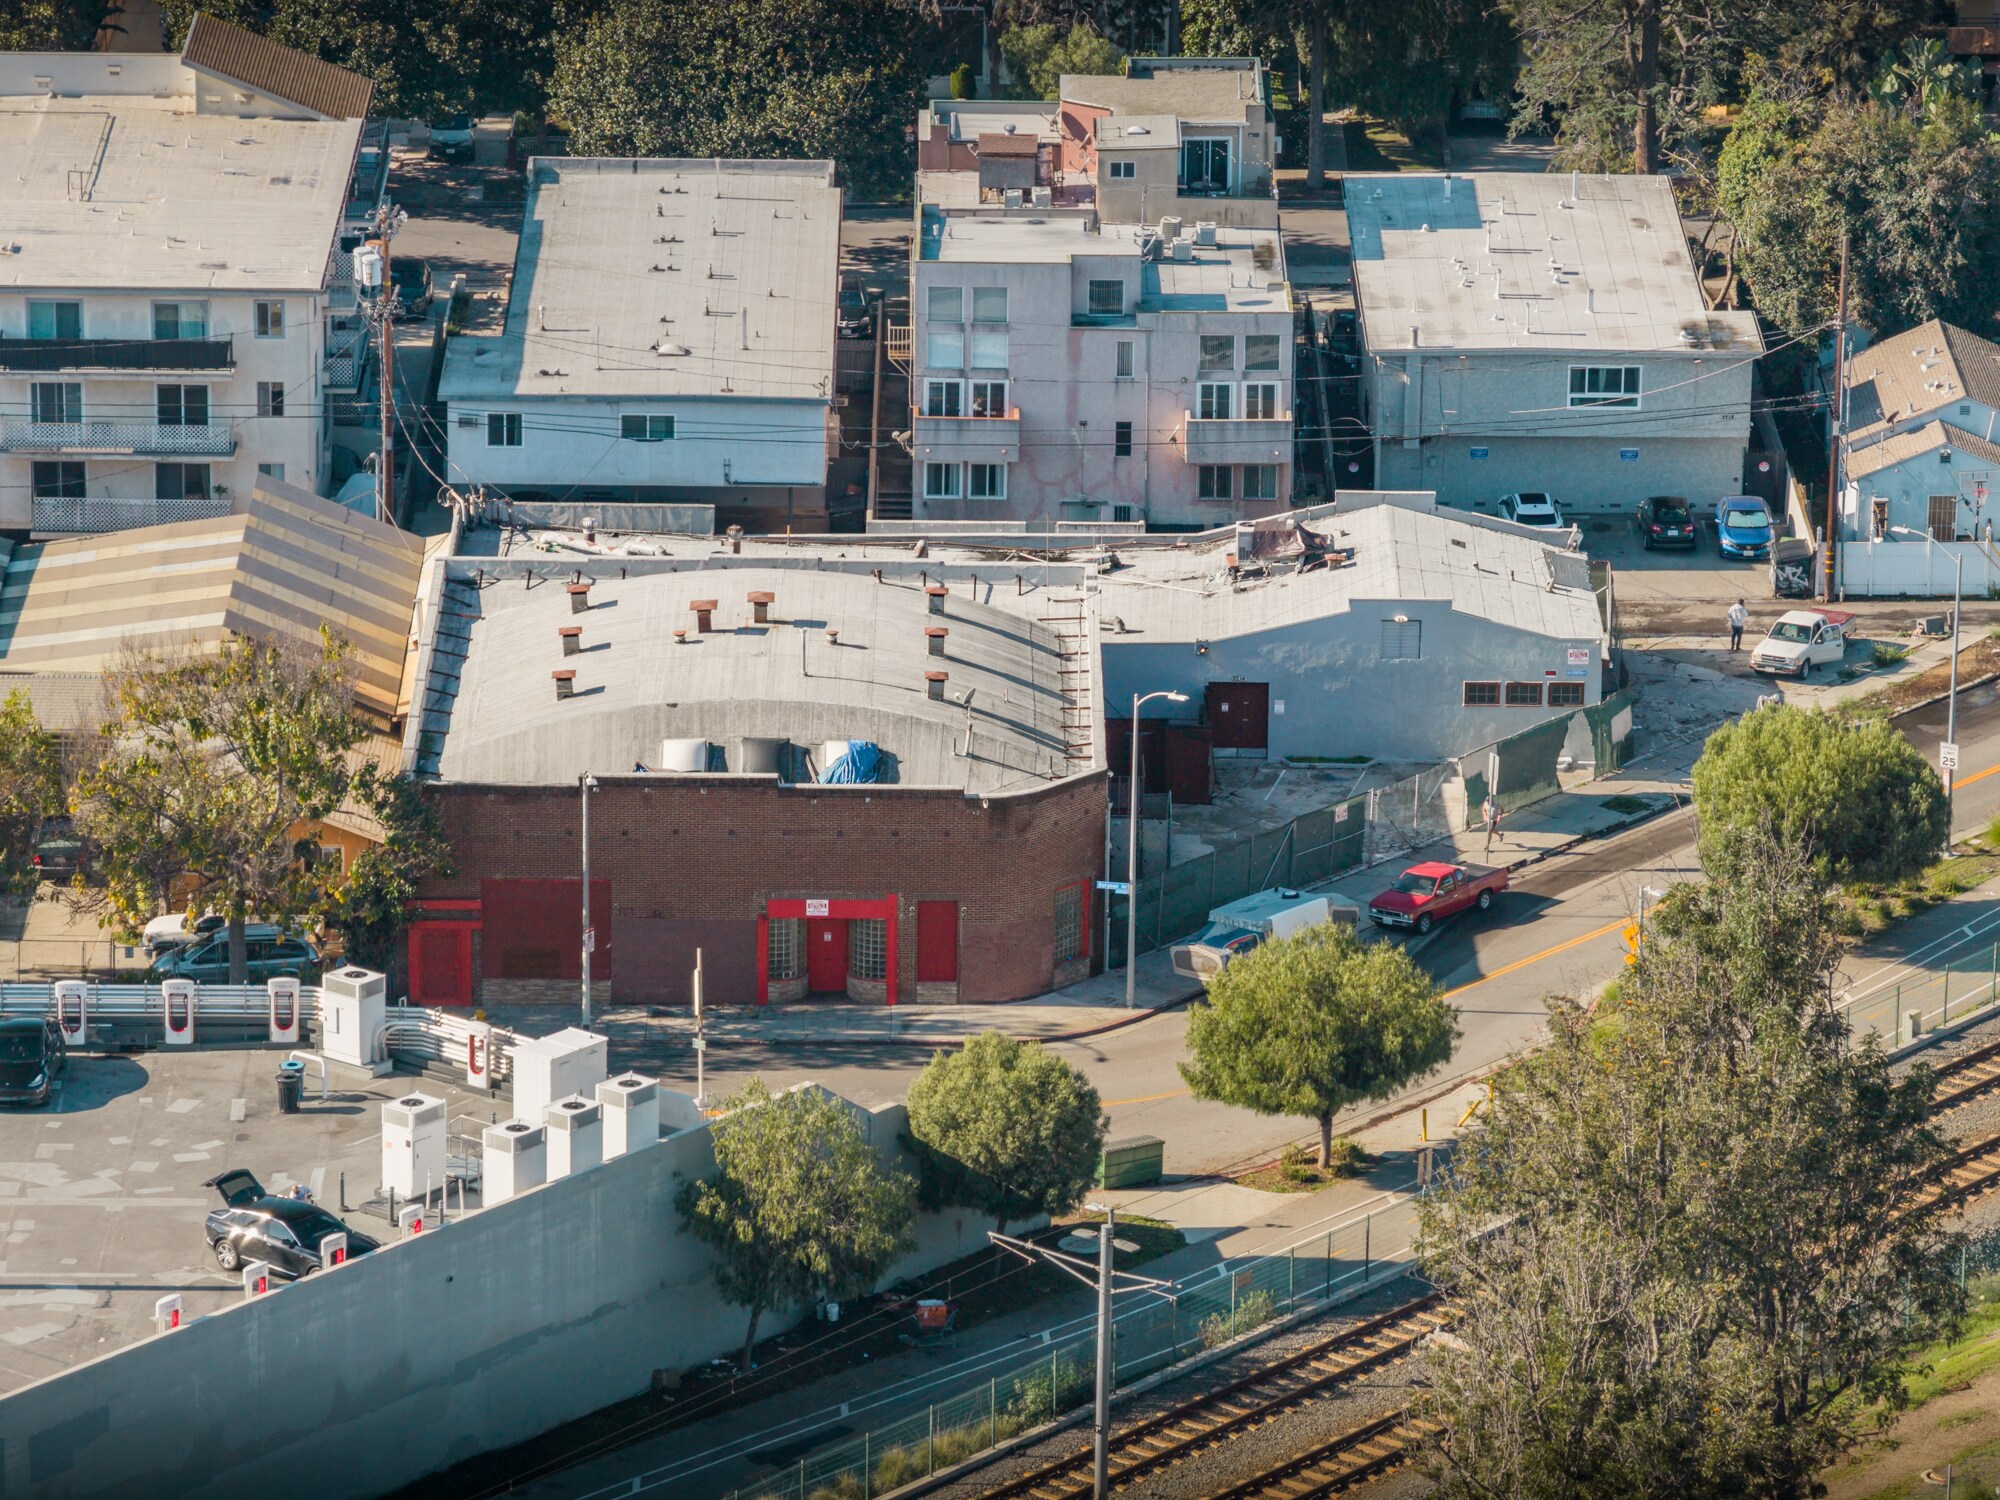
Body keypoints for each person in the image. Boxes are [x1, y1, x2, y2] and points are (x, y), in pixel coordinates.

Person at [1482, 792, 1501, 856]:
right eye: (1487, 801)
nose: (1487, 802)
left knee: (1489, 832)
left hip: (1494, 820)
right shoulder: (1485, 803)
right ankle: (1500, 835)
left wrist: (1499, 816)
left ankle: (1487, 846)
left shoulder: (1496, 805)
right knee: (1492, 830)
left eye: (1488, 801)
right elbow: (1483, 809)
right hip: (1488, 819)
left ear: (1491, 801)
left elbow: (1501, 810)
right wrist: (1484, 815)